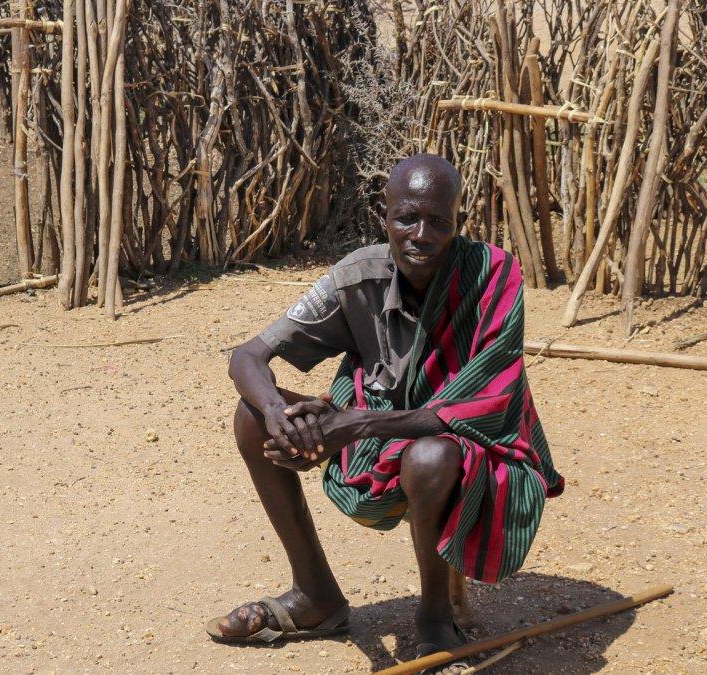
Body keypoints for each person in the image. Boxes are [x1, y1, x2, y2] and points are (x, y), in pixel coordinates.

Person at [206, 154, 564, 666]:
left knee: (430, 457)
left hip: (474, 447)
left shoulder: (493, 275)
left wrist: (350, 424)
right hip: (375, 436)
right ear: (385, 215)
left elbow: (485, 401)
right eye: (407, 218)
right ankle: (316, 596)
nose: (422, 235)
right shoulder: (358, 276)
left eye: (439, 222)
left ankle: (435, 617)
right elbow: (248, 356)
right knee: (251, 416)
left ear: (458, 222)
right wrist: (277, 414)